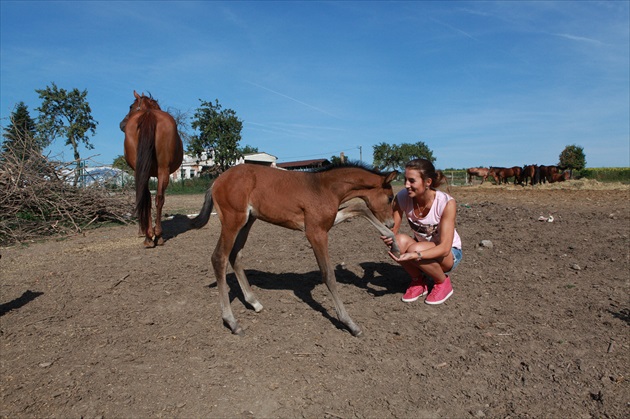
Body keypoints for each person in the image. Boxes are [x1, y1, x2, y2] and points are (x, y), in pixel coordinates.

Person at [381, 158, 462, 305]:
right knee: (397, 241)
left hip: (450, 254)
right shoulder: (402, 197)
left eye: (412, 181)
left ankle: (442, 282)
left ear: (428, 182)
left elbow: (444, 249)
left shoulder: (446, 203)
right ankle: (418, 281)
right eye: (405, 180)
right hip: (422, 248)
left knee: (416, 247)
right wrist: (388, 237)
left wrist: (416, 255)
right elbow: (394, 229)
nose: (406, 185)